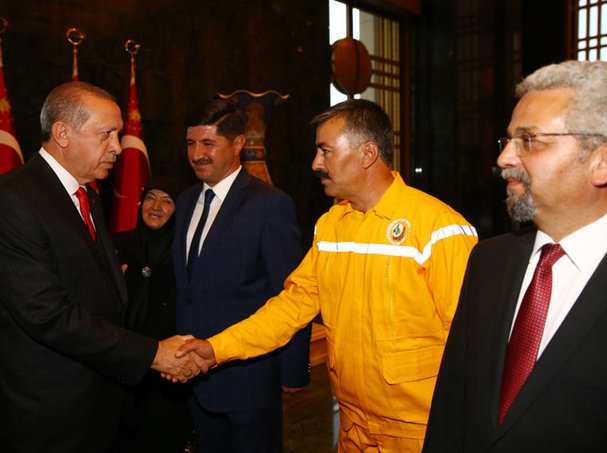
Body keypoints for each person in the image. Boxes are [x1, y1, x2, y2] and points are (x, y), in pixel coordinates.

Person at [176, 99, 479, 452]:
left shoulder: (439, 228)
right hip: (353, 427)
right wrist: (217, 348)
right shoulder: (332, 225)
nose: (315, 163)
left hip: (419, 429)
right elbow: (292, 307)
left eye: (325, 151)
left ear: (367, 154)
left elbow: (472, 343)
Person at [423, 60, 607, 452]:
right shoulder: (487, 261)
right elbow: (451, 408)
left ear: (606, 158)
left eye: (529, 140)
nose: (505, 158)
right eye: (508, 141)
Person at [0, 81, 205, 452]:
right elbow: (48, 316)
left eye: (118, 135)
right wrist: (153, 354)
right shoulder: (12, 200)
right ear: (62, 133)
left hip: (99, 405)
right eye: (106, 134)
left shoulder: (87, 196)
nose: (117, 147)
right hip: (50, 415)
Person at [173, 99, 311, 453]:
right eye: (191, 143)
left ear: (237, 144)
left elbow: (292, 294)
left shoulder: (271, 205)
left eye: (208, 143)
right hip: (193, 378)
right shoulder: (185, 201)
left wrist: (293, 372)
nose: (197, 154)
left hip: (249, 381)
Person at [114, 176, 194, 452]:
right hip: (123, 364)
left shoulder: (186, 253)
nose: (156, 206)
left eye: (167, 201)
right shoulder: (118, 245)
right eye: (150, 198)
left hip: (167, 370)